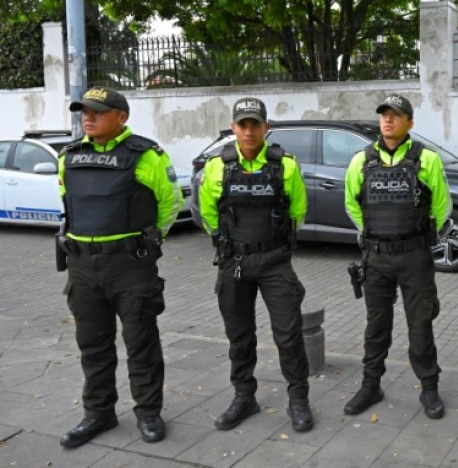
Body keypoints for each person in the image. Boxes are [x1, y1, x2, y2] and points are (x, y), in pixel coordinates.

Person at [57, 86, 181, 448]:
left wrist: (144, 244)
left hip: (130, 265)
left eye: (97, 111)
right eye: (84, 112)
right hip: (82, 265)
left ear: (121, 117)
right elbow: (68, 202)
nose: (88, 118)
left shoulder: (147, 155)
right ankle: (99, 413)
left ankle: (148, 412)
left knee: (140, 342)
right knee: (92, 345)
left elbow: (170, 204)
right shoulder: (69, 156)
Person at [199, 97, 314, 433]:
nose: (248, 131)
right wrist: (229, 242)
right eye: (242, 124)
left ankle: (299, 399)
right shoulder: (216, 166)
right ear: (233, 128)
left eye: (255, 124)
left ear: (266, 127)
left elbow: (298, 212)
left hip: (275, 261)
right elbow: (208, 212)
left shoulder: (286, 166)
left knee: (289, 334)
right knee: (239, 335)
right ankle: (244, 397)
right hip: (234, 261)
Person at [343, 94, 452, 419]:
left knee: (420, 326)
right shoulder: (360, 161)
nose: (388, 120)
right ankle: (370, 385)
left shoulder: (427, 160)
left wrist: (416, 236)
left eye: (396, 115)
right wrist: (376, 233)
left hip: (414, 257)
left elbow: (442, 207)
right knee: (376, 326)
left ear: (410, 123)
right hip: (376, 258)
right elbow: (351, 203)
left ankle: (429, 388)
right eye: (384, 115)